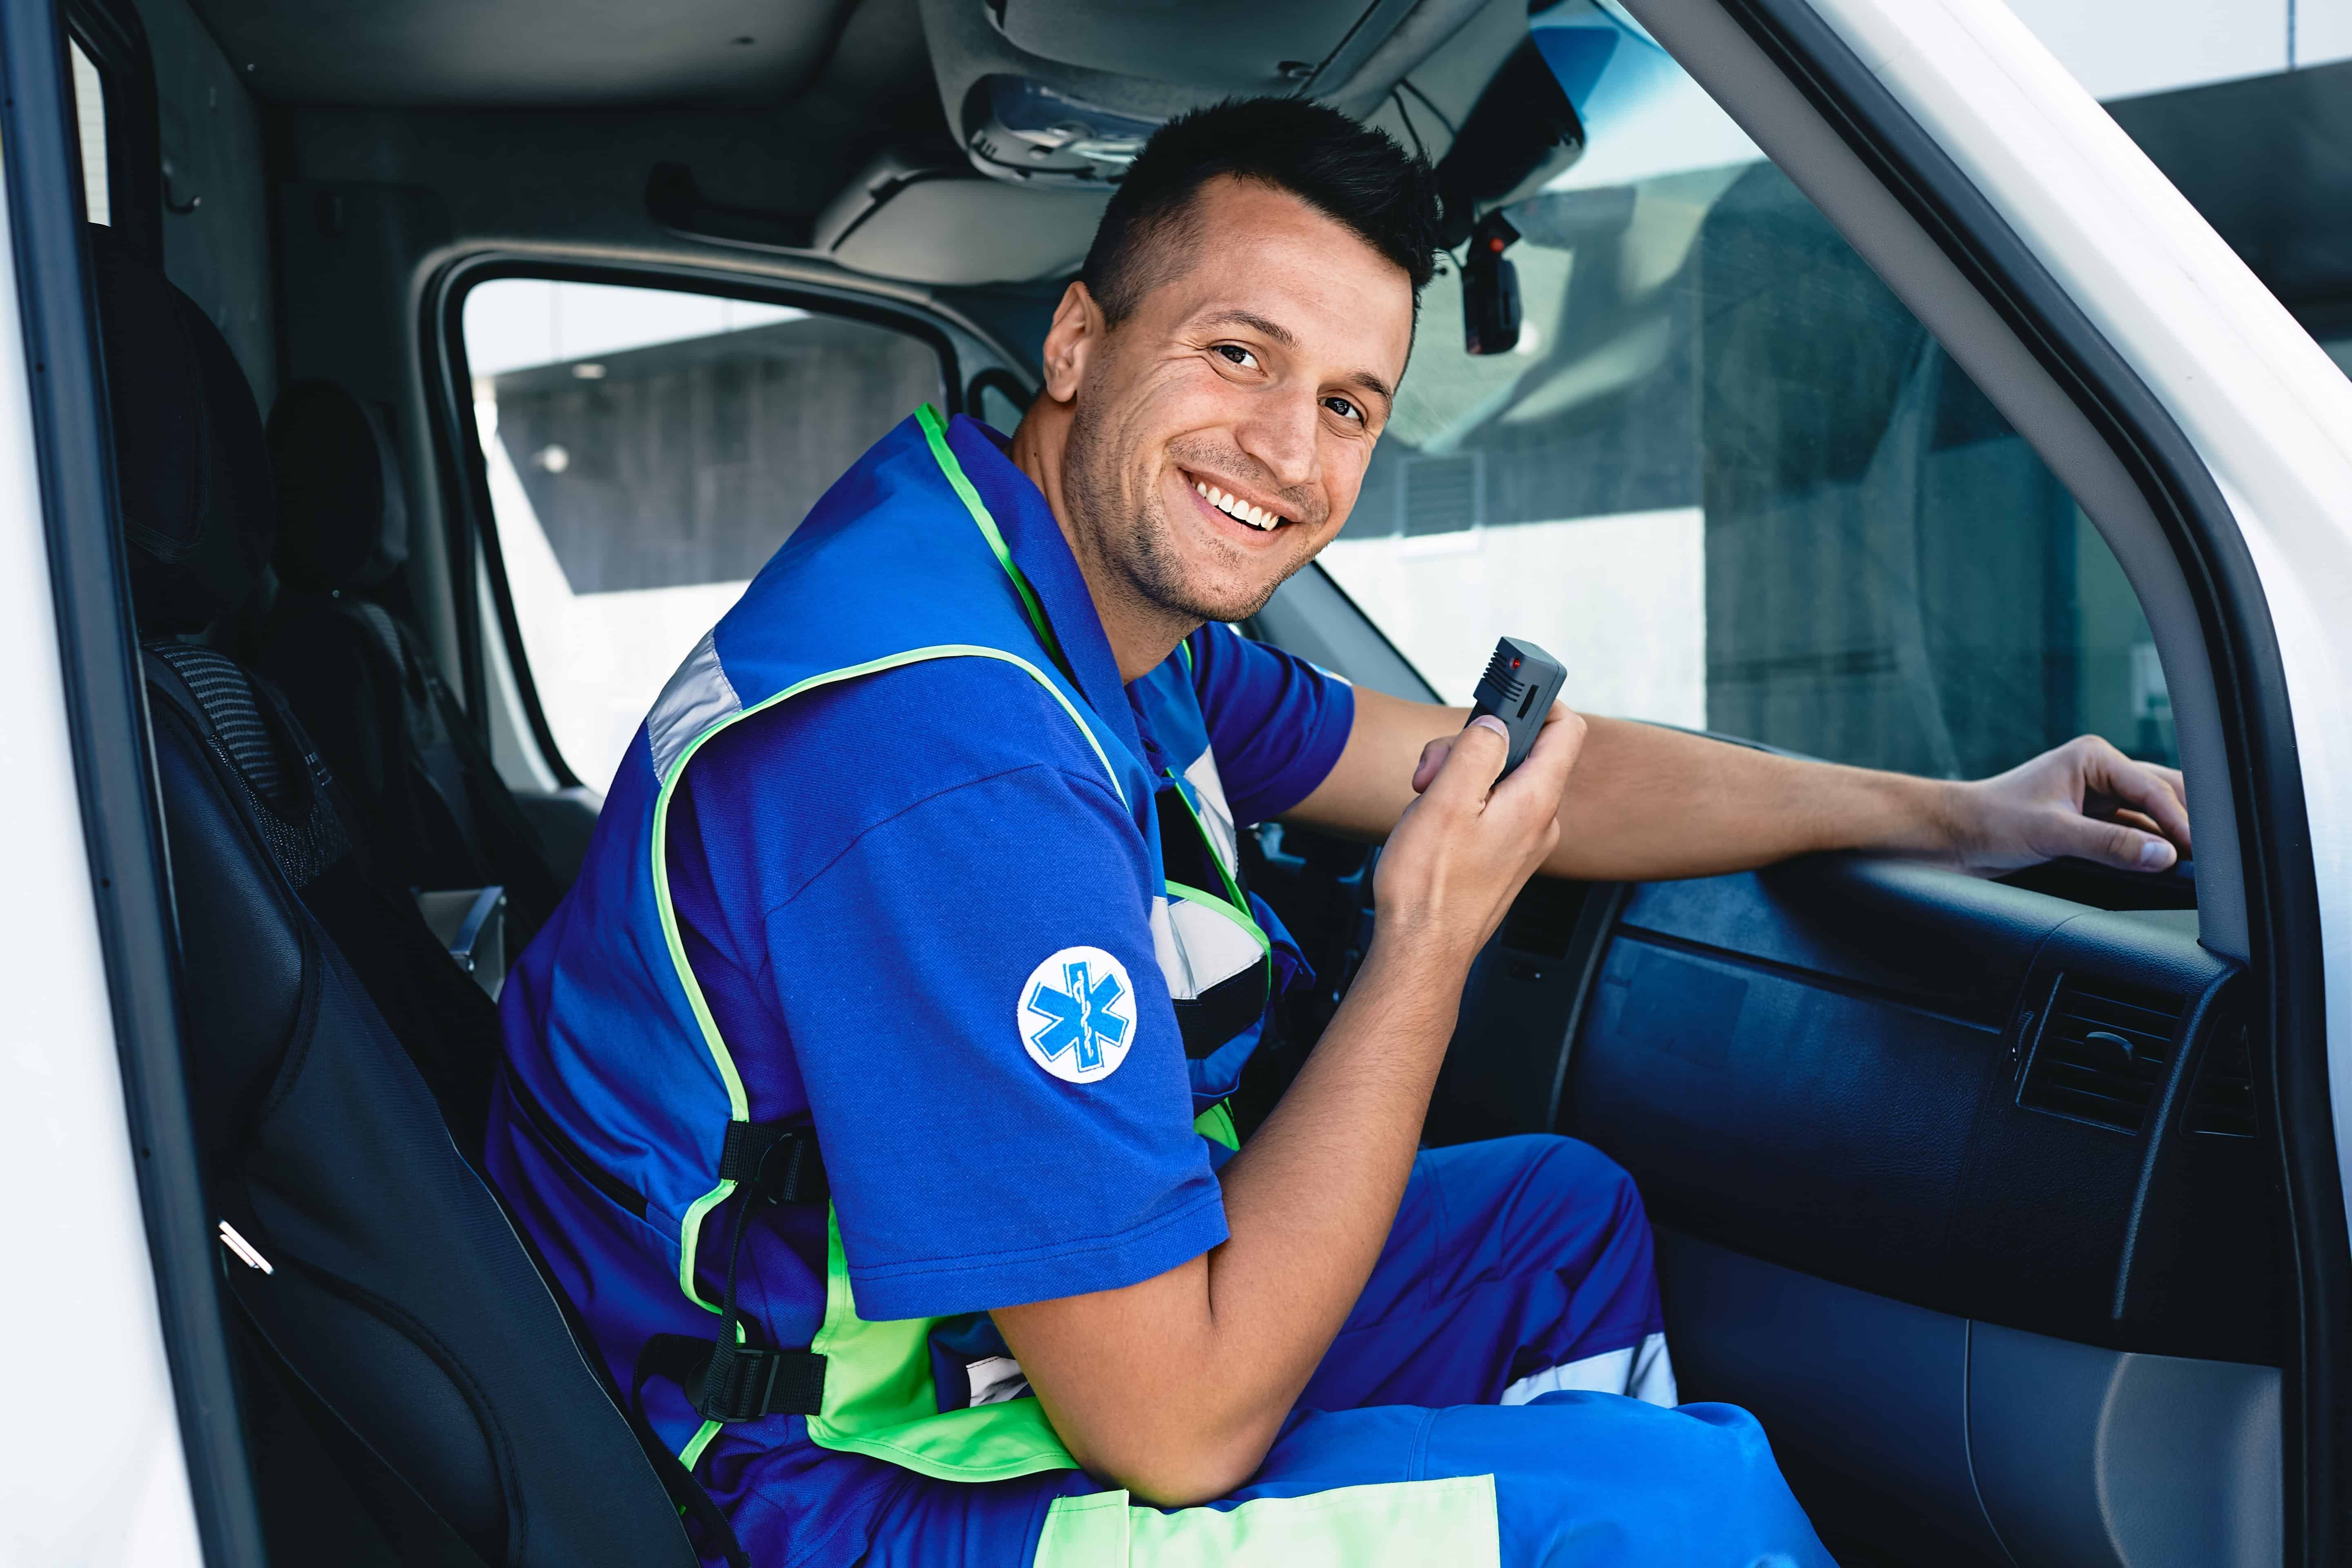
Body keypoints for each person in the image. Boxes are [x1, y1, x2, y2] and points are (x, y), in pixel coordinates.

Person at [486, 98, 2193, 1568]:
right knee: (1682, 1509)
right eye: (1239, 354)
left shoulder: (1052, 589)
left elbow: (1516, 774)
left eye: (1351, 404)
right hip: (826, 1485)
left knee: (1553, 1226)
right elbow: (1177, 1430)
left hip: (978, 1351)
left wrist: (1956, 812)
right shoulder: (954, 761)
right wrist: (1428, 947)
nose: (1287, 452)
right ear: (1075, 344)